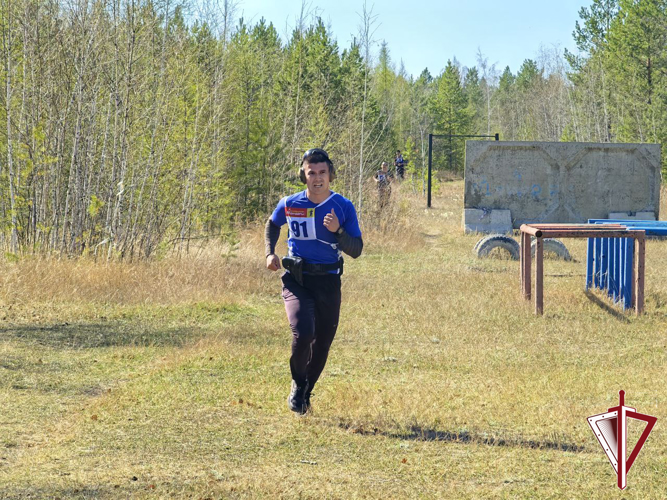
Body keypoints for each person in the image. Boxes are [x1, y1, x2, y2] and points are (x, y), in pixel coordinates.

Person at [264, 148, 363, 414]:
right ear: (303, 176)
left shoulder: (343, 206)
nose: (317, 178)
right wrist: (270, 252)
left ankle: (306, 390)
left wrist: (338, 231)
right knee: (303, 333)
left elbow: (356, 250)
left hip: (328, 281)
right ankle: (297, 384)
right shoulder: (291, 203)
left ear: (330, 174)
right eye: (311, 173)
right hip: (297, 278)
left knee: (322, 342)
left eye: (322, 173)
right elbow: (273, 224)